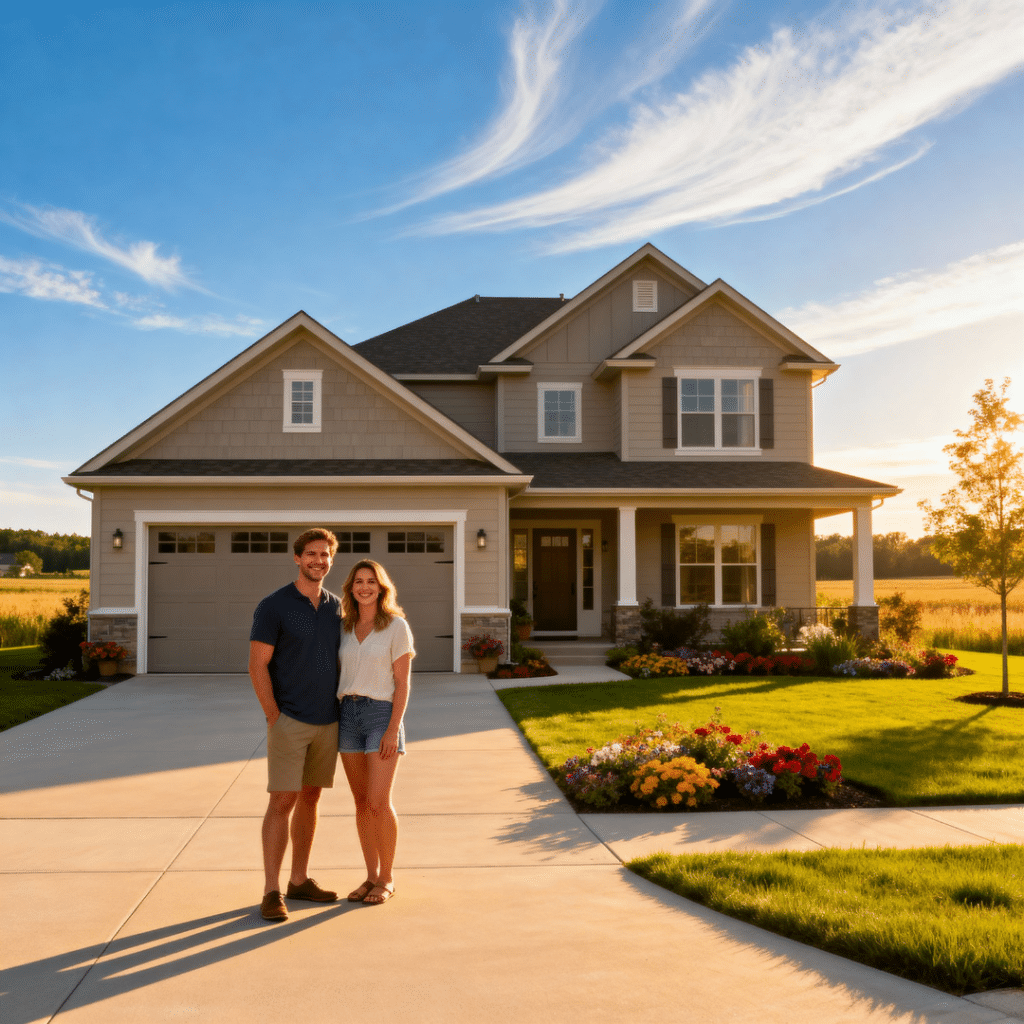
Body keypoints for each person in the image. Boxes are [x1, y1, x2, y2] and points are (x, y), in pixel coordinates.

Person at [248, 528, 342, 922]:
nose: (318, 560)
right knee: (282, 801)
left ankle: (299, 880)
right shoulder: (274, 606)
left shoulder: (338, 605)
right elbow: (257, 665)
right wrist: (274, 715)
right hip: (289, 719)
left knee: (311, 798)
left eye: (325, 555)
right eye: (311, 554)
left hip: (328, 721)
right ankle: (271, 890)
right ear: (297, 558)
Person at [336, 559, 415, 906]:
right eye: (358, 582)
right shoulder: (344, 627)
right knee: (361, 803)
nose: (364, 587)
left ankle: (387, 877)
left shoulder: (396, 627)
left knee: (379, 802)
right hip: (346, 715)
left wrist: (392, 729)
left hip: (381, 714)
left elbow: (403, 682)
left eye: (371, 581)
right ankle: (369, 876)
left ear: (382, 588)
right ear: (351, 588)